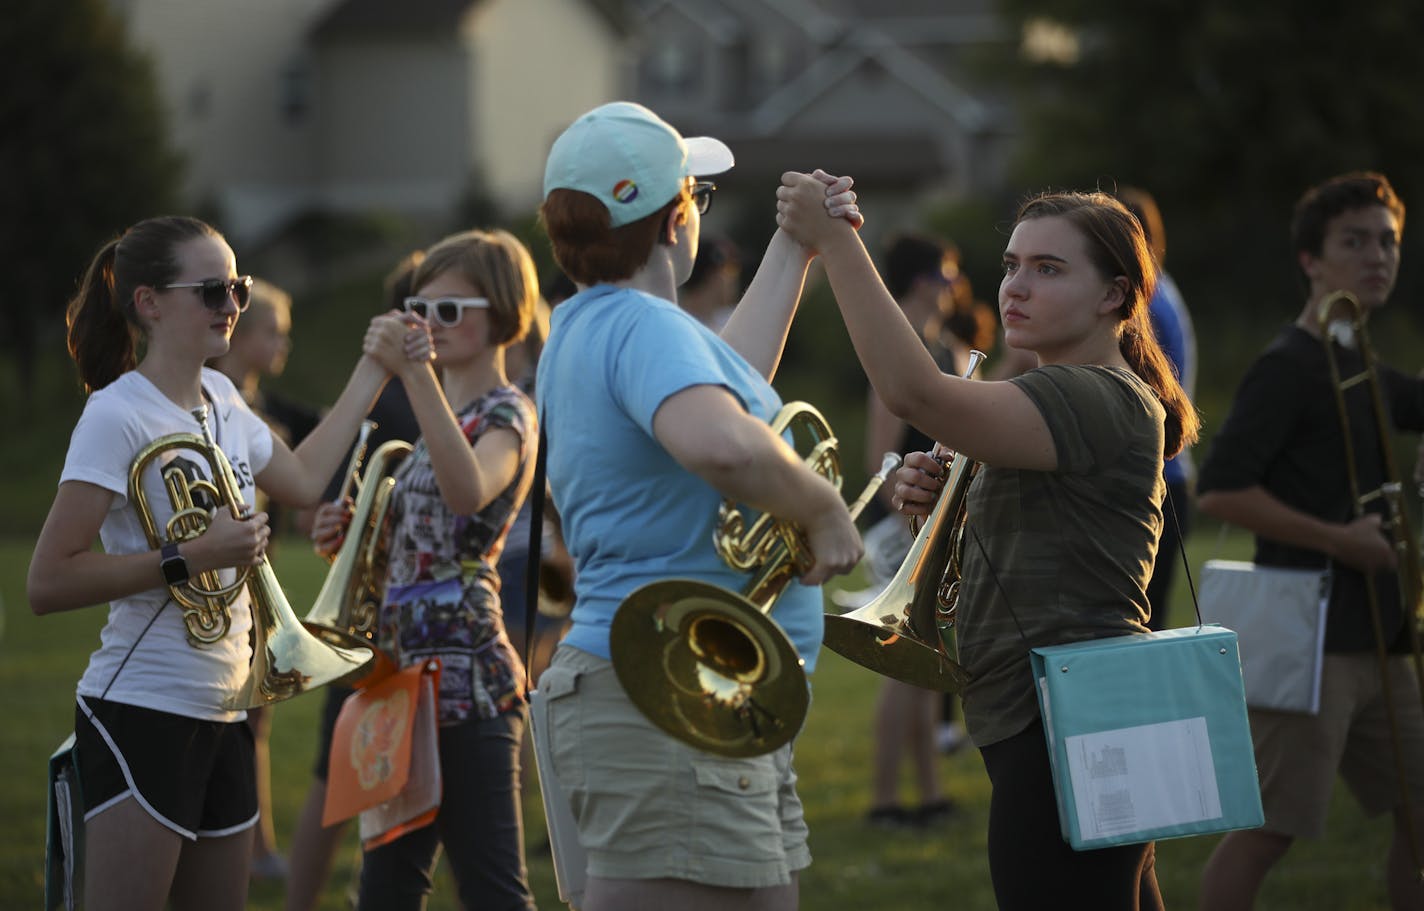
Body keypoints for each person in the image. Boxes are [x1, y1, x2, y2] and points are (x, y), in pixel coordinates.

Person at [776, 177, 1199, 909]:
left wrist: (836, 241)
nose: (1016, 286)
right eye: (1010, 265)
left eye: (1049, 268)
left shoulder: (1092, 391)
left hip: (1062, 725)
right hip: (1061, 713)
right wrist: (937, 511)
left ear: (1114, 296)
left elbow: (918, 394)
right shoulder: (1065, 390)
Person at [534, 101, 864, 911]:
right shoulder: (644, 327)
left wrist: (796, 245)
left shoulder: (593, 323)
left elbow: (727, 385)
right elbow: (722, 442)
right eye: (696, 197)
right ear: (675, 219)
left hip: (689, 687)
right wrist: (823, 508)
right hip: (666, 691)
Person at [26, 214, 398, 911]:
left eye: (239, 289)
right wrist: (188, 557)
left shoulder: (224, 398)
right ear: (149, 303)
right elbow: (48, 580)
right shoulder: (117, 414)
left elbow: (307, 477)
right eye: (213, 291)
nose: (232, 306)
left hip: (227, 706)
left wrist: (375, 369)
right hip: (141, 706)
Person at [1195, 172, 1424, 911]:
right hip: (1311, 642)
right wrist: (1341, 540)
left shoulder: (1352, 356)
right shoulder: (1287, 367)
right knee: (1268, 833)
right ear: (1310, 261)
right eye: (1354, 241)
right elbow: (1220, 488)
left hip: (1384, 641)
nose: (1377, 257)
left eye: (1387, 241)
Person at [309, 227, 541, 911]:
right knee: (385, 890)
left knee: (494, 890)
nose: (429, 326)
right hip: (399, 682)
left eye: (449, 311)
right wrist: (349, 538)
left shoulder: (508, 411)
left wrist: (414, 376)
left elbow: (471, 490)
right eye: (421, 308)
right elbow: (417, 546)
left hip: (468, 681)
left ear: (500, 315)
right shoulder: (444, 419)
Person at [284, 252, 426, 911]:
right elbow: (328, 508)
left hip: (393, 619)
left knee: (349, 779)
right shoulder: (404, 402)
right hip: (379, 622)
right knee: (340, 776)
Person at [835, 233, 979, 829]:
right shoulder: (895, 352)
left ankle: (928, 792)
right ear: (923, 281)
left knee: (928, 669)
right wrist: (923, 535)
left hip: (929, 529)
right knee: (904, 671)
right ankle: (885, 799)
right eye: (947, 274)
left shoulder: (939, 349)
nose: (954, 285)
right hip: (903, 534)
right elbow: (881, 461)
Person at [207, 275, 322, 882]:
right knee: (238, 720)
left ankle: (255, 846)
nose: (283, 345)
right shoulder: (222, 405)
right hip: (216, 588)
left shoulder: (268, 409)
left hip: (254, 584)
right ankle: (248, 848)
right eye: (273, 333)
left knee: (257, 717)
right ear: (240, 334)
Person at [1117, 187, 1198, 631]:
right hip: (1170, 477)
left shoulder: (1141, 302)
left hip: (1154, 480)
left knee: (1136, 635)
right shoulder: (1161, 290)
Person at [679, 233, 743, 331]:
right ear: (713, 275)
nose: (734, 278)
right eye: (731, 269)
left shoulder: (673, 322)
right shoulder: (738, 326)